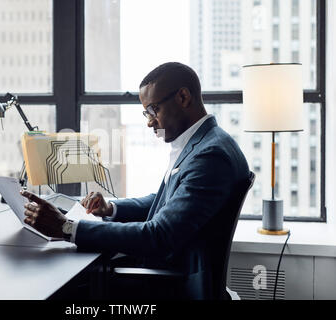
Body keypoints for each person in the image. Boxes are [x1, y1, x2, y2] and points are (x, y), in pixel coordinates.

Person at [21, 62, 250, 299]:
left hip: (171, 285)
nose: (149, 122)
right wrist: (111, 208)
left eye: (153, 110)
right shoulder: (203, 143)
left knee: (61, 290)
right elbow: (167, 200)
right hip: (165, 270)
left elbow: (159, 236)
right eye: (146, 113)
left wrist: (67, 228)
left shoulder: (210, 156)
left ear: (183, 97)